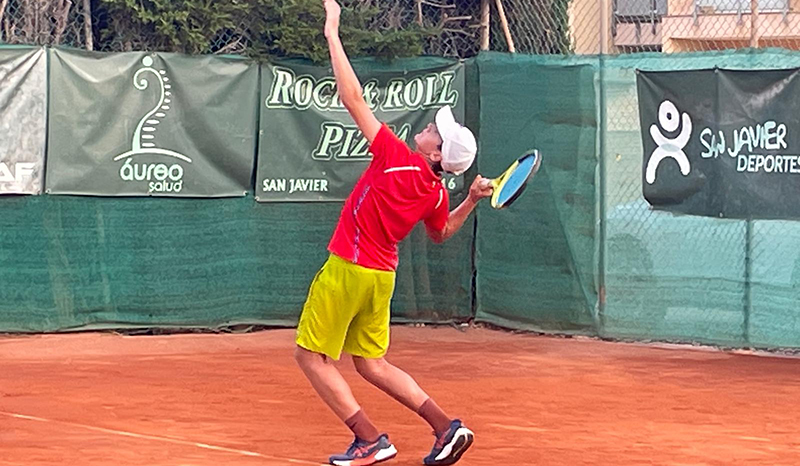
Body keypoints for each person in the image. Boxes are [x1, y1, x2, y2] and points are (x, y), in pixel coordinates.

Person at [294, 1, 493, 465]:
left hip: (348, 267)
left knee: (310, 356)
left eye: (435, 133)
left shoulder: (396, 155)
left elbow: (352, 99)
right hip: (381, 278)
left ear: (438, 156)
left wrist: (332, 33)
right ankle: (446, 428)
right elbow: (441, 233)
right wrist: (471, 199)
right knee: (371, 364)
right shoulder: (437, 192)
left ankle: (369, 439)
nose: (428, 128)